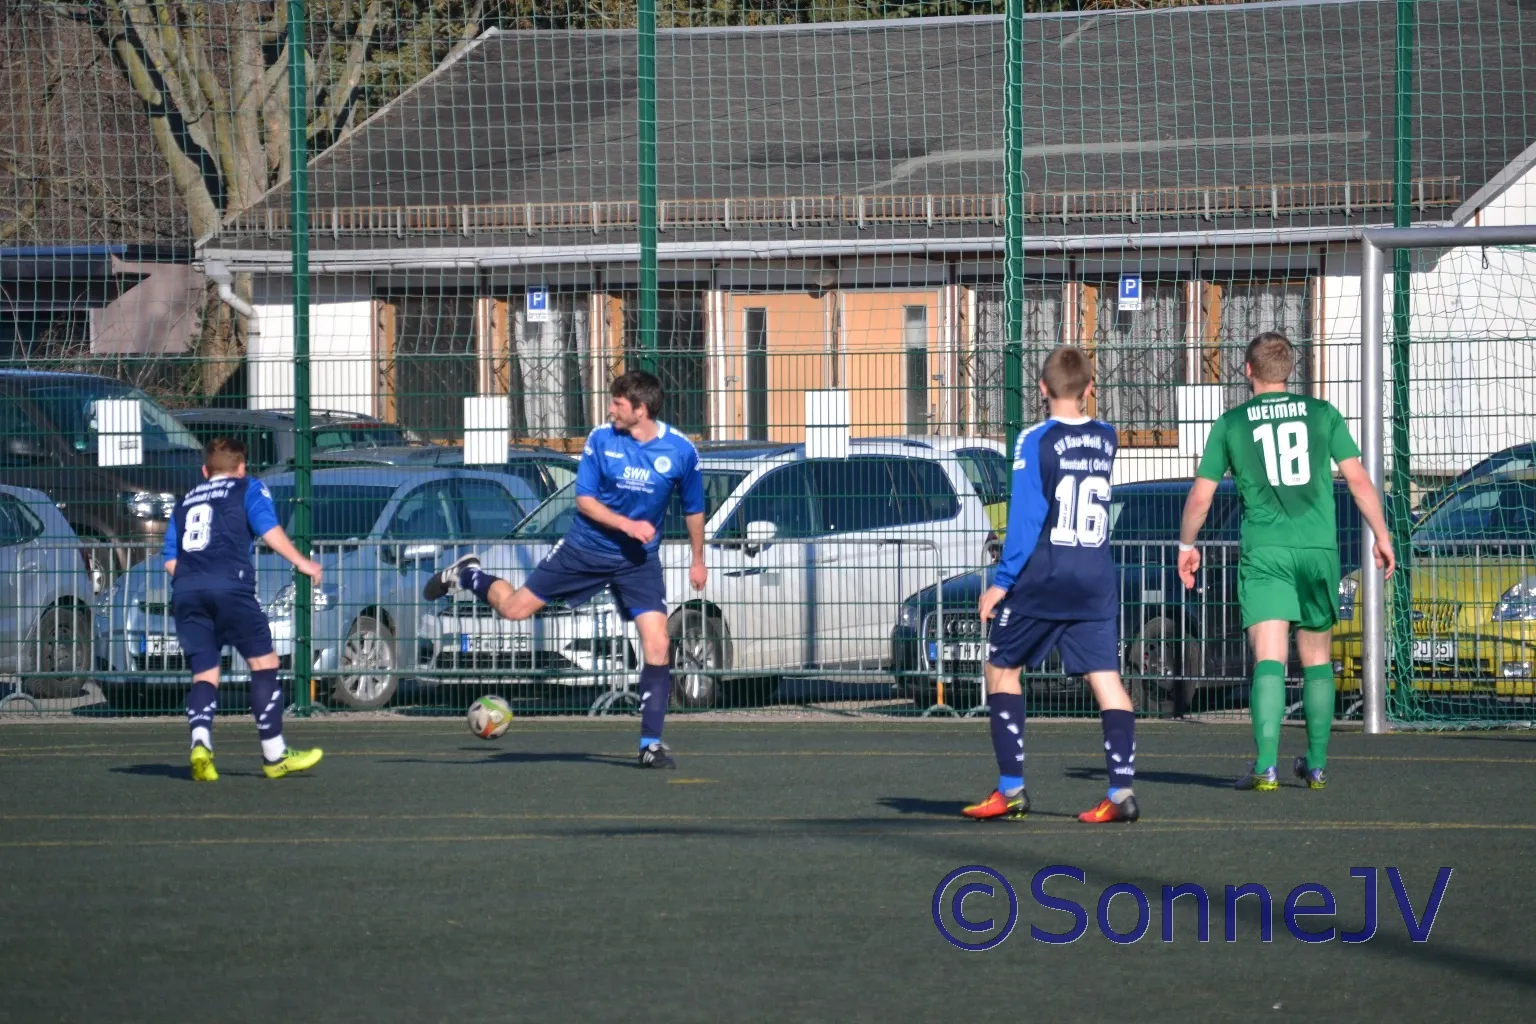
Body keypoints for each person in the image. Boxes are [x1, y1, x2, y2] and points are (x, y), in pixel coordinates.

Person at [423, 370, 707, 769]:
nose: (610, 409)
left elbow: (694, 508)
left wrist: (698, 559)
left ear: (641, 409)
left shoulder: (680, 451)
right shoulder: (601, 439)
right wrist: (627, 525)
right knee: (515, 609)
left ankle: (650, 745)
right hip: (584, 550)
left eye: (618, 404)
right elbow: (585, 501)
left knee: (658, 643)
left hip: (637, 562)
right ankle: (469, 575)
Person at [1177, 331, 1395, 791]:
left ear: (1248, 370)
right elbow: (1357, 480)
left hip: (1266, 553)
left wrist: (1186, 546)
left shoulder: (1232, 423)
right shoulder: (1322, 414)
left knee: (1269, 657)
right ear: (1291, 371)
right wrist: (1382, 534)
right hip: (1317, 550)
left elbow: (1200, 496)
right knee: (1316, 659)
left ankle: (1266, 766)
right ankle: (1316, 766)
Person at [963, 345, 1140, 825]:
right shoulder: (1107, 436)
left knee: (1001, 670)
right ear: (1090, 389)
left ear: (1041, 388)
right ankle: (1121, 792)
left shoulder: (1034, 440)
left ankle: (1011, 789)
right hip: (1095, 577)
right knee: (1107, 680)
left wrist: (1001, 582)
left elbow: (1026, 519)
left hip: (1046, 576)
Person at [165, 437, 326, 782]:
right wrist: (303, 563)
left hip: (186, 591)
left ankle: (200, 744)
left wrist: (198, 580)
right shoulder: (248, 488)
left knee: (205, 674)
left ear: (205, 471)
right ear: (241, 468)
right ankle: (274, 754)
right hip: (230, 587)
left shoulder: (185, 501)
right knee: (264, 663)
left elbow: (170, 560)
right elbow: (268, 529)